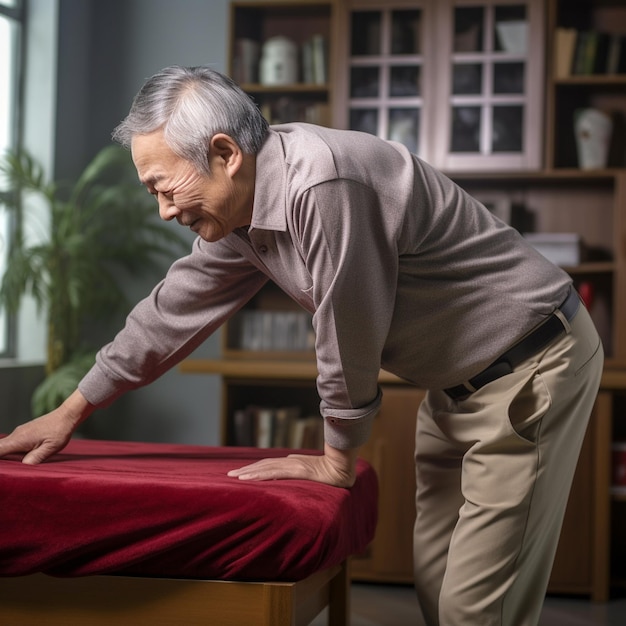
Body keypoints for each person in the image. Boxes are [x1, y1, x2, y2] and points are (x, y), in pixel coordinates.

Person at [0, 66, 603, 625]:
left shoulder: (321, 183)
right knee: (437, 582)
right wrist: (72, 408)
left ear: (224, 154)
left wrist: (335, 458)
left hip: (530, 364)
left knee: (475, 612)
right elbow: (170, 312)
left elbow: (348, 329)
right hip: (453, 386)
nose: (160, 211)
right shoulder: (242, 212)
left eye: (162, 187)